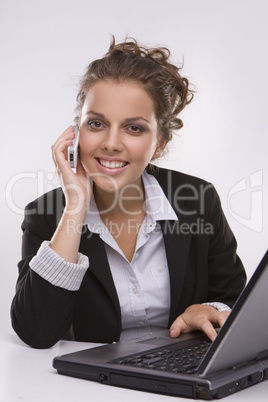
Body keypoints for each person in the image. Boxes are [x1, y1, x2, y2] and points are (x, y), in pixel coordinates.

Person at [11, 37, 246, 349]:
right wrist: (75, 207)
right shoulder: (45, 215)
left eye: (134, 128)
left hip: (183, 386)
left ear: (160, 144)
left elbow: (233, 297)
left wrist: (209, 310)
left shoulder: (198, 198)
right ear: (76, 134)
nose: (111, 143)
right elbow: (36, 332)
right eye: (96, 124)